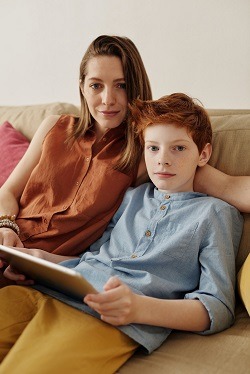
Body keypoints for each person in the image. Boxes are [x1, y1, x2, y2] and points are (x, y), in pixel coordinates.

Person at [0, 93, 243, 373]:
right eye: (153, 148)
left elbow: (219, 308)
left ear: (203, 154)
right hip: (49, 291)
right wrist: (38, 259)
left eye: (178, 148)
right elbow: (92, 258)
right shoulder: (130, 197)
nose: (163, 160)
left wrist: (139, 309)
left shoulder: (216, 214)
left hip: (108, 317)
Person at [0, 35, 249, 282]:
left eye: (121, 85)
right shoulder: (53, 125)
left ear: (135, 87)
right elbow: (8, 191)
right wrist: (6, 226)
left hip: (40, 271)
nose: (108, 99)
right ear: (82, 87)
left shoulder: (147, 152)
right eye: (96, 85)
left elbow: (229, 187)